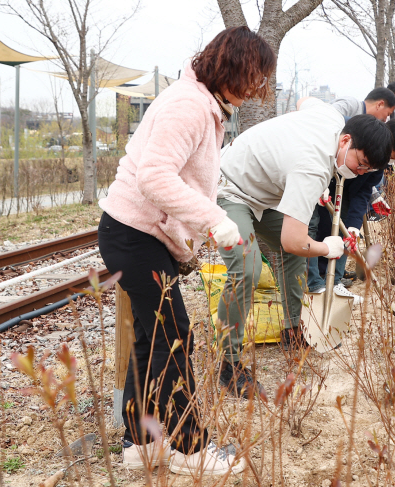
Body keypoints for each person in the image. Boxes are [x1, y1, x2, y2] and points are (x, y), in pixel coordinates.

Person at [97, 27, 275, 475]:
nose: (256, 89)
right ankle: (189, 448)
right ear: (231, 65)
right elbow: (154, 177)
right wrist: (215, 220)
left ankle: (139, 444)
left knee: (155, 341)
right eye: (253, 76)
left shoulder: (204, 103)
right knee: (174, 339)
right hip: (135, 235)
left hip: (139, 236)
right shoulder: (190, 106)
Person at [215, 100, 392, 397]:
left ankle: (293, 329)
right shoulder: (312, 167)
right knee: (247, 268)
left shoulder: (334, 117)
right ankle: (228, 365)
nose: (360, 172)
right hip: (229, 185)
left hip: (263, 193)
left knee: (293, 258)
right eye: (359, 163)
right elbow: (293, 240)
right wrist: (326, 247)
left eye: (367, 170)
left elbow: (304, 102)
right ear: (345, 140)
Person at [307, 118, 395, 302]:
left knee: (345, 232)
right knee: (313, 227)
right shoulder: (352, 143)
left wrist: (354, 226)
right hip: (323, 185)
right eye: (389, 155)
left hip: (348, 193)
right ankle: (313, 281)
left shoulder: (376, 166)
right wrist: (318, 185)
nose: (383, 161)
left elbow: (363, 192)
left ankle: (334, 280)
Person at [330, 87, 395, 121]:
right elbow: (328, 116)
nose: (385, 120)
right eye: (388, 114)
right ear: (380, 105)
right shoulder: (351, 104)